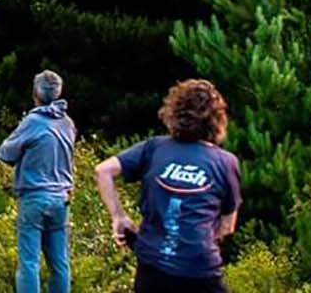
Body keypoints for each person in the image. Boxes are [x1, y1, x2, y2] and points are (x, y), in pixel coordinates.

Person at [94, 79, 242, 293]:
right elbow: (227, 227)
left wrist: (119, 217)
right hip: (198, 269)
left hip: (152, 266)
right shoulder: (225, 162)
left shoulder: (154, 148)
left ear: (174, 112)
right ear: (217, 119)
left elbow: (103, 171)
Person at [0, 69, 77, 293]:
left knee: (29, 263)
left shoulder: (33, 121)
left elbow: (6, 152)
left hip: (34, 196)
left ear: (36, 94)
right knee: (60, 264)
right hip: (61, 198)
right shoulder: (67, 123)